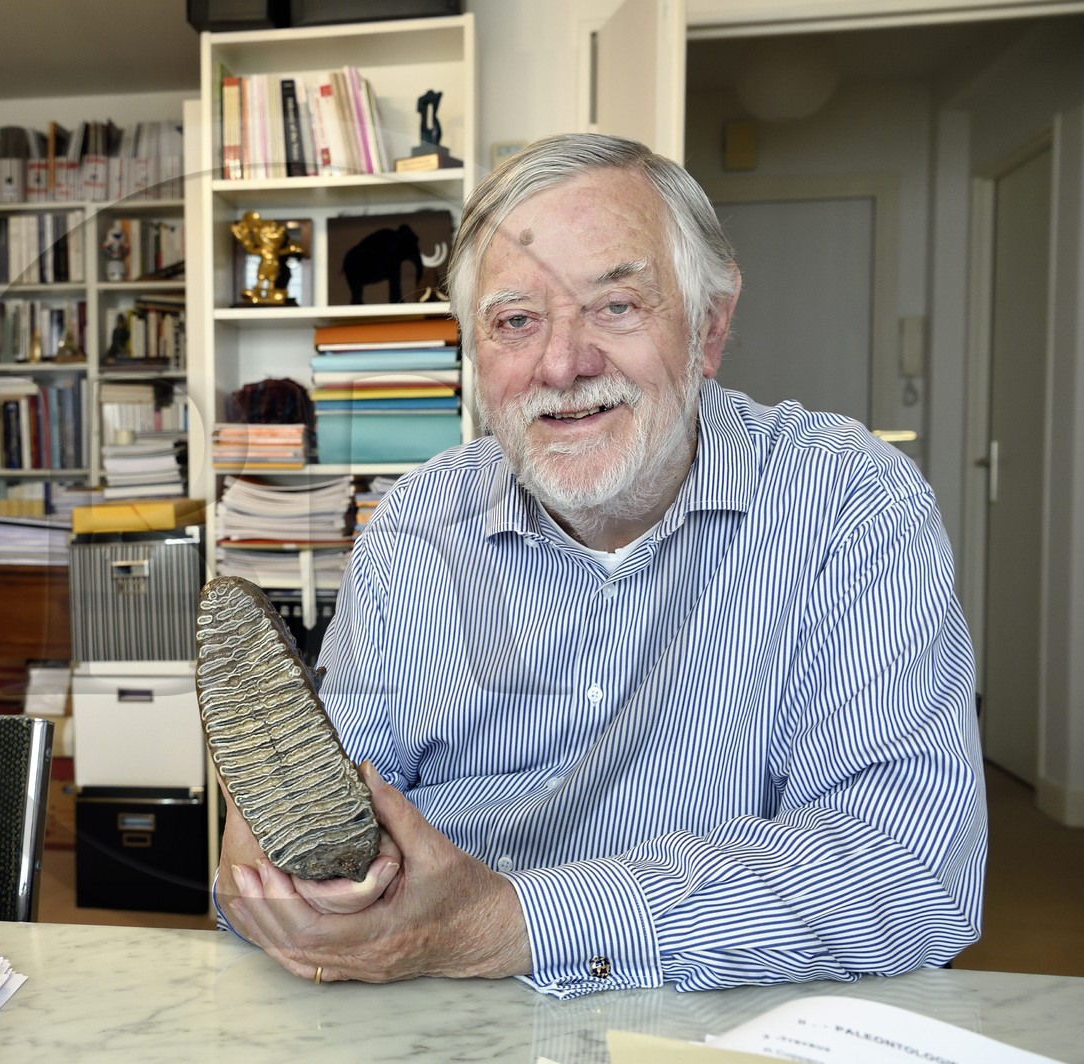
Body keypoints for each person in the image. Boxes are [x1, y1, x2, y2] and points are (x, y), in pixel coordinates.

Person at [214, 132, 986, 997]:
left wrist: (511, 921)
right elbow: (342, 819)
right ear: (476, 354)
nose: (563, 363)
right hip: (437, 1018)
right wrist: (280, 866)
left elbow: (912, 874)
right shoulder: (416, 525)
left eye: (616, 306)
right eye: (515, 321)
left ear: (709, 328)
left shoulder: (850, 505)